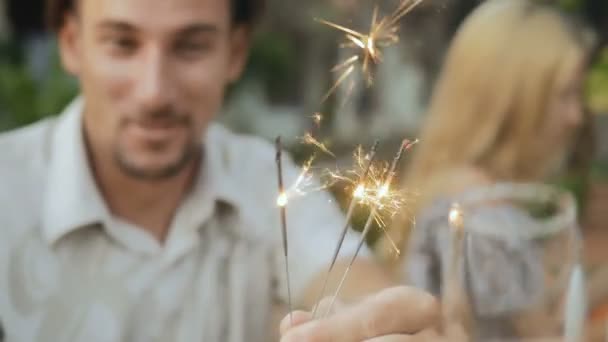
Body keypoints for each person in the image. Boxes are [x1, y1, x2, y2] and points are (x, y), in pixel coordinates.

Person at [0, 0, 441, 341]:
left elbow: (349, 281)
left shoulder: (265, 179)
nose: (154, 91)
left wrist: (383, 323)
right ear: (71, 43)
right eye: (122, 43)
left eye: (191, 46)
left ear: (235, 52)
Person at [378, 0, 592, 339]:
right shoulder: (485, 217)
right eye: (564, 94)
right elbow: (545, 336)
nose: (576, 116)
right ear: (512, 99)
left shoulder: (452, 188)